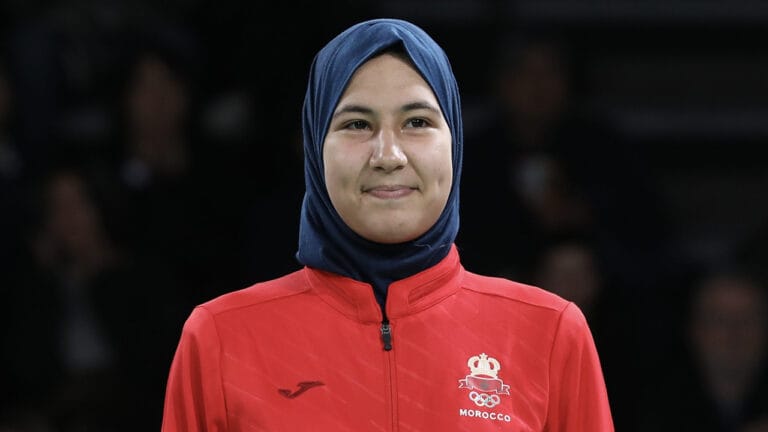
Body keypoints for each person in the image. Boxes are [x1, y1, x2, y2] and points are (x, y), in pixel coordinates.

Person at [161, 18, 614, 431]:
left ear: (454, 142)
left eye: (417, 121)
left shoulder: (550, 334)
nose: (388, 156)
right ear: (314, 146)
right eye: (357, 124)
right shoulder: (220, 339)